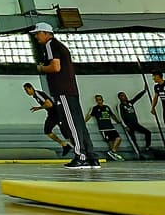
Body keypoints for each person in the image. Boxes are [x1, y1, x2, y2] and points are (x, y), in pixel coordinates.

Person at [31, 22, 98, 170]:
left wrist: (41, 68)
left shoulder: (50, 45)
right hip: (71, 90)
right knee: (79, 124)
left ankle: (80, 156)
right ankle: (92, 157)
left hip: (62, 91)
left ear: (46, 33)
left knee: (71, 123)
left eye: (38, 34)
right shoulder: (60, 46)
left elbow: (55, 67)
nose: (36, 37)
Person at [24, 83, 70, 156]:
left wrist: (39, 108)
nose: (26, 92)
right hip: (52, 114)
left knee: (66, 132)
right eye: (25, 91)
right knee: (47, 131)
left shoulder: (38, 94)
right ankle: (64, 145)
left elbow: (49, 104)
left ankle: (77, 147)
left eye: (27, 90)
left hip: (56, 114)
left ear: (31, 88)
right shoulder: (35, 96)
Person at [85, 94, 124, 160]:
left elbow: (112, 115)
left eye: (100, 99)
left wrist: (118, 121)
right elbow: (89, 115)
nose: (99, 101)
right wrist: (84, 122)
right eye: (97, 100)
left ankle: (112, 152)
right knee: (110, 142)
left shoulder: (107, 107)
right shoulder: (95, 108)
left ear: (102, 100)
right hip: (104, 129)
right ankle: (113, 155)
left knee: (118, 138)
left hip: (111, 127)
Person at [116, 90, 153, 155]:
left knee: (148, 132)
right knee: (133, 139)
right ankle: (138, 153)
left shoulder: (130, 103)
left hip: (135, 123)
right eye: (122, 96)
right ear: (119, 98)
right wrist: (125, 126)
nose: (124, 96)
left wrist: (144, 91)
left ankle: (148, 147)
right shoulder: (120, 105)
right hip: (128, 125)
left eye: (124, 95)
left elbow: (137, 97)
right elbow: (120, 116)